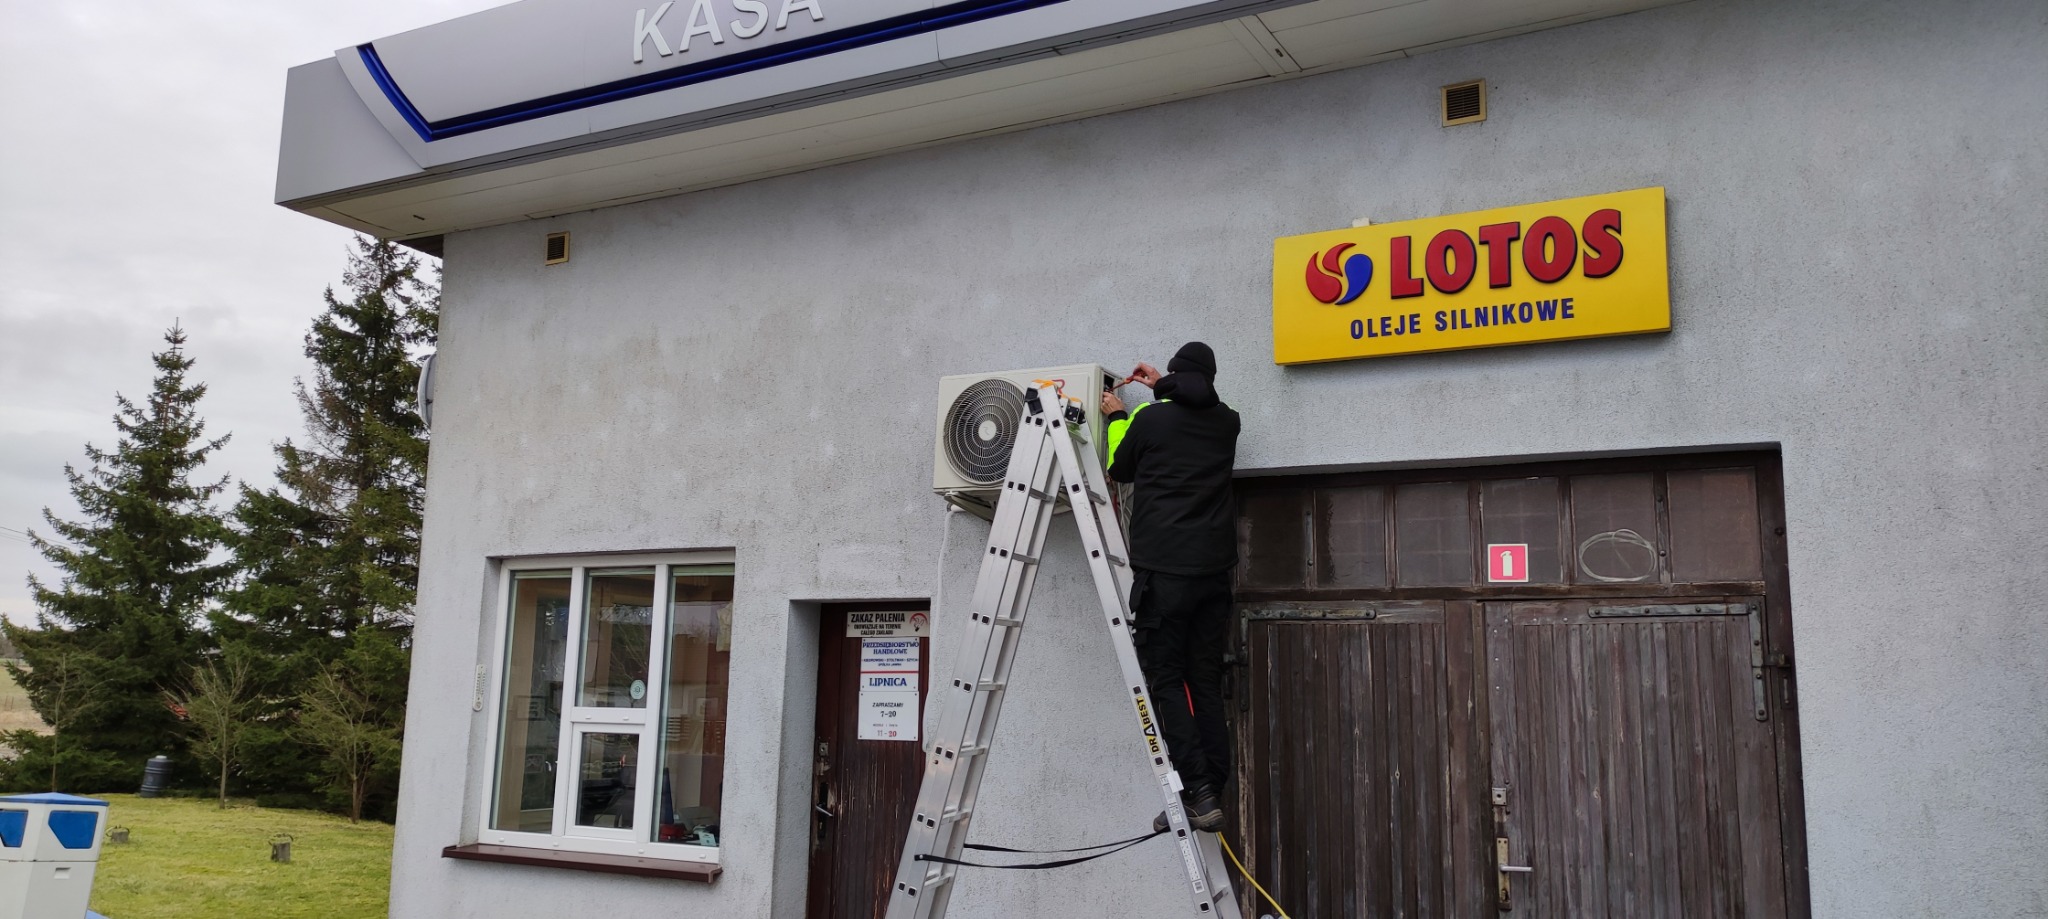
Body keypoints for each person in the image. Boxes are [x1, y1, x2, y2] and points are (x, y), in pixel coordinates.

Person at [1099, 341, 1240, 833]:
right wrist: (1161, 383)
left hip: (1165, 576)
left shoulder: (1151, 422)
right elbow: (1197, 398)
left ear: (1176, 377)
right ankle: (1211, 790)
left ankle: (1196, 791)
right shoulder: (1228, 422)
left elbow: (1120, 468)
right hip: (1213, 578)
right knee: (1202, 680)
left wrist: (1118, 415)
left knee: (1165, 679)